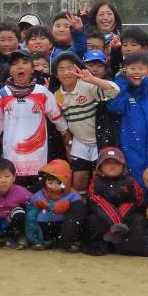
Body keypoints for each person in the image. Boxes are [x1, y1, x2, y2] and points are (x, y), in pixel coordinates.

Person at [0, 50, 63, 186]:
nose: (20, 67)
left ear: (32, 69)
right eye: (15, 64)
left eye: (24, 63)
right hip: (12, 150)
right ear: (10, 71)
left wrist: (65, 132)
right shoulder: (3, 94)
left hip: (37, 152)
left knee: (37, 185)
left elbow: (55, 115)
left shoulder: (42, 92)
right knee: (15, 184)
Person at [51, 53, 120, 193]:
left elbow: (114, 91)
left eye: (69, 68)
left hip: (99, 141)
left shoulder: (88, 86)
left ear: (77, 69)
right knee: (78, 181)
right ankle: (80, 205)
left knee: (100, 179)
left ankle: (98, 203)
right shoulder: (56, 95)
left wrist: (93, 79)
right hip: (79, 141)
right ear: (56, 74)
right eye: (61, 69)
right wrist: (67, 142)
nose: (66, 72)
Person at [104, 52, 148, 185]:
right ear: (125, 70)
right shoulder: (122, 90)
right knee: (135, 183)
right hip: (131, 146)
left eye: (141, 68)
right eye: (132, 68)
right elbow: (115, 108)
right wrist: (121, 85)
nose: (137, 72)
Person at [82, 146, 148, 257]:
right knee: (93, 219)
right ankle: (101, 244)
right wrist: (114, 221)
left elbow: (137, 202)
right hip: (103, 220)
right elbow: (96, 202)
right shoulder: (96, 183)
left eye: (116, 163)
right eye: (108, 163)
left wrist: (121, 220)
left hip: (127, 221)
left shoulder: (130, 182)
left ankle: (129, 245)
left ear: (122, 166)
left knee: (139, 219)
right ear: (100, 167)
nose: (112, 166)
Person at [24, 159, 84, 251]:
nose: (54, 186)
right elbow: (31, 213)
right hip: (46, 224)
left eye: (59, 183)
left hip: (65, 224)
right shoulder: (40, 194)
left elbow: (77, 213)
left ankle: (71, 241)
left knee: (75, 221)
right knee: (39, 216)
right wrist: (33, 234)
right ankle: (44, 240)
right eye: (50, 183)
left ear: (66, 181)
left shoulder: (72, 195)